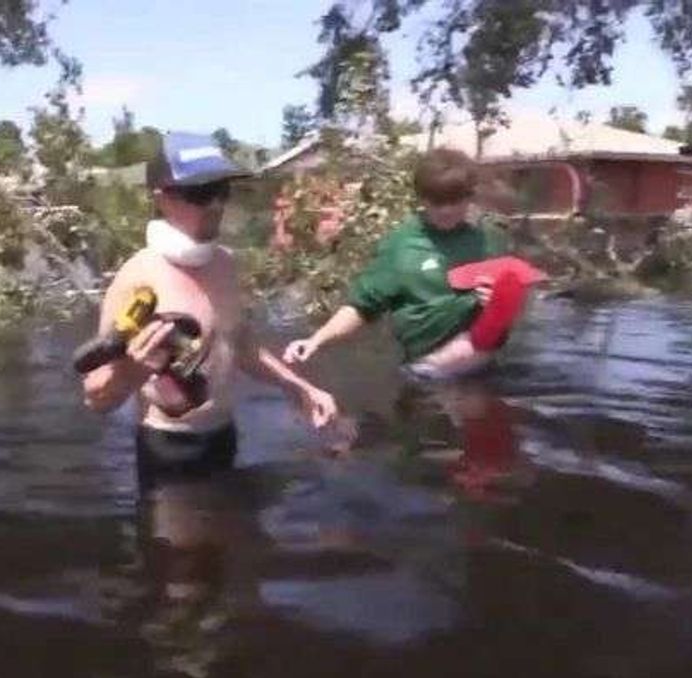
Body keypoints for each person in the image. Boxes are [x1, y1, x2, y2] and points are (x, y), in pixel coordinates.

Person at [81, 131, 338, 490]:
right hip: (169, 448)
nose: (215, 204)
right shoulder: (137, 277)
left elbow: (243, 347)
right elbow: (96, 398)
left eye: (222, 191)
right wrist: (133, 371)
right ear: (162, 198)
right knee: (180, 546)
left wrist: (299, 388)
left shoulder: (225, 265)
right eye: (200, 194)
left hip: (224, 438)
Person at [283, 148, 528, 379]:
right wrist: (316, 340)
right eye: (437, 202)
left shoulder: (486, 241)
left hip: (486, 368)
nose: (446, 210)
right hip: (430, 374)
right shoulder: (401, 246)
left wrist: (499, 302)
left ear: (469, 197)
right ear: (422, 198)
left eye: (455, 201)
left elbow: (513, 301)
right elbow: (362, 306)